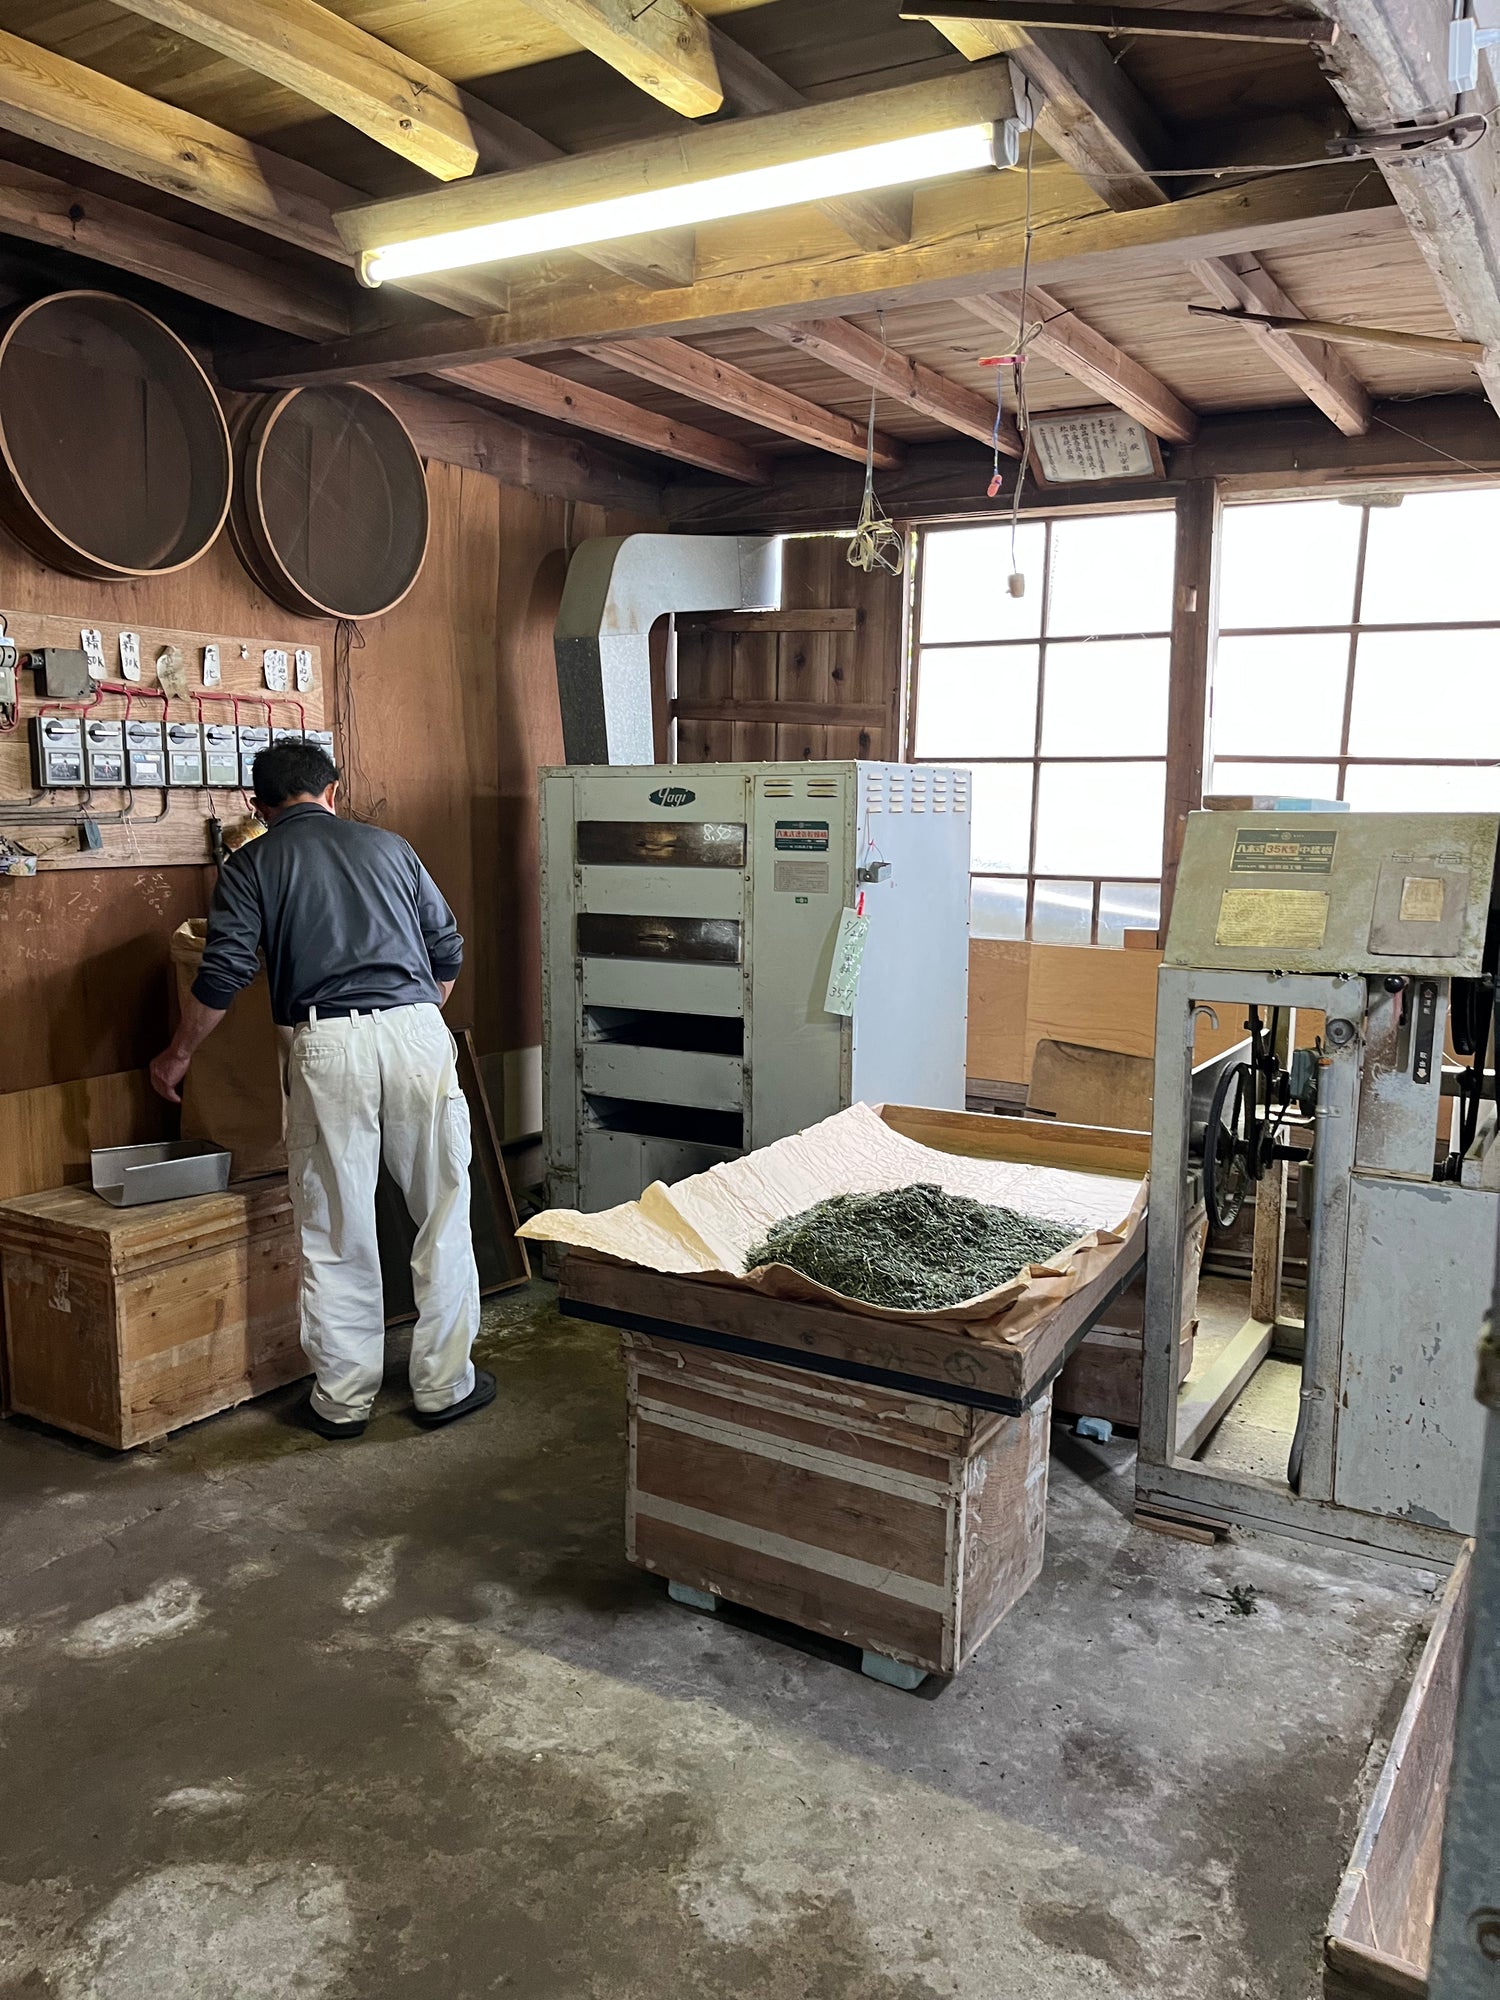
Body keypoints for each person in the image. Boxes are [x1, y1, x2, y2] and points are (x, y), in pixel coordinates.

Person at [150, 741, 493, 1441]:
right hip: (418, 1029)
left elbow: (223, 972)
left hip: (327, 1041)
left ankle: (342, 1401)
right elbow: (447, 948)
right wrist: (414, 1015)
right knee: (443, 1211)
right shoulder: (391, 847)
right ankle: (443, 1386)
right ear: (333, 792)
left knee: (336, 1225)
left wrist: (177, 1054)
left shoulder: (251, 864)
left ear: (257, 806)